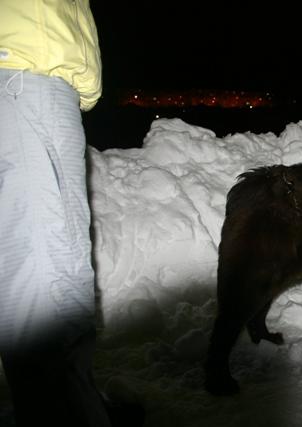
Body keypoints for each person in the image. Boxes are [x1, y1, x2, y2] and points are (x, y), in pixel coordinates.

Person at [0, 1, 139, 426]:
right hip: (23, 72)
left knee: (65, 274)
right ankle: (63, 413)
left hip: (42, 77)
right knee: (47, 281)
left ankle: (71, 402)